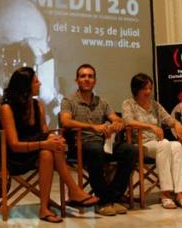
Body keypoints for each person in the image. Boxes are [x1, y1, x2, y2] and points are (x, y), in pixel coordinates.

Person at [0, 67, 98, 223]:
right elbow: (14, 145)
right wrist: (45, 143)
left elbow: (44, 132)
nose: (40, 84)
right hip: (14, 156)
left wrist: (54, 139)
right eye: (36, 81)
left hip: (36, 150)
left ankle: (44, 208)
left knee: (49, 151)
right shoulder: (7, 108)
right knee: (47, 149)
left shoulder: (37, 104)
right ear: (25, 85)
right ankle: (73, 190)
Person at [60, 64, 139, 216]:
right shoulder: (68, 101)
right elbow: (66, 122)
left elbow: (117, 119)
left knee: (131, 150)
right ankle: (103, 201)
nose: (87, 79)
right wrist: (93, 127)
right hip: (80, 145)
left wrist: (116, 124)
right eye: (83, 76)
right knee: (96, 150)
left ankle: (114, 197)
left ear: (95, 81)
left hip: (103, 144)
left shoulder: (102, 102)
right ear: (77, 80)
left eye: (90, 76)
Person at [0, 0, 62, 130]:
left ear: (48, 41)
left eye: (34, 46)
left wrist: (51, 100)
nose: (25, 61)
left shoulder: (68, 95)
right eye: (10, 50)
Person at [122, 73, 182, 209]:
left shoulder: (154, 105)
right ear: (136, 89)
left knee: (177, 145)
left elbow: (168, 119)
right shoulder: (128, 103)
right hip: (140, 144)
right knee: (165, 144)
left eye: (150, 88)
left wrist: (176, 124)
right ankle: (165, 194)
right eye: (144, 88)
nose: (148, 91)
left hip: (159, 144)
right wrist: (150, 126)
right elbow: (128, 122)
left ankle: (180, 194)